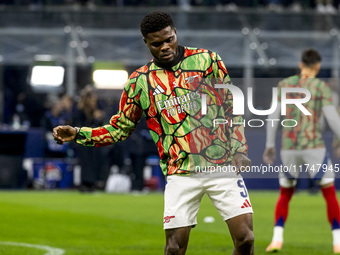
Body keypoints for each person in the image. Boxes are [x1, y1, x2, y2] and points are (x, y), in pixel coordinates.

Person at [53, 11, 254, 254]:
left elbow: (231, 107)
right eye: (157, 43)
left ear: (175, 32)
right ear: (146, 43)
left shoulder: (207, 61)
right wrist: (77, 133)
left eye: (169, 39)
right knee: (174, 249)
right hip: (180, 173)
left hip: (220, 163)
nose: (165, 47)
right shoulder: (139, 82)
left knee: (246, 240)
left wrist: (239, 149)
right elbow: (119, 128)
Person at [263, 49, 340, 253]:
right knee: (329, 194)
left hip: (289, 147)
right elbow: (332, 118)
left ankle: (277, 239)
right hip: (314, 145)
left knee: (285, 194)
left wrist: (270, 145)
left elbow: (273, 117)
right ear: (317, 66)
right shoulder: (319, 86)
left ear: (300, 65)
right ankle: (338, 242)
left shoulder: (285, 85)